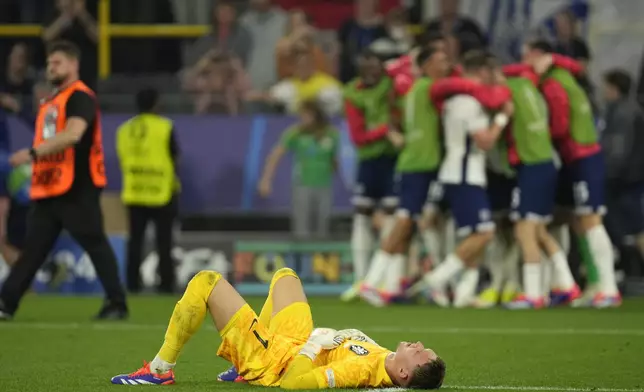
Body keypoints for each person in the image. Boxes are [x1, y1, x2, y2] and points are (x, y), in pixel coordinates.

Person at [111, 268, 446, 389]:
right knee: (285, 276)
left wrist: (315, 344)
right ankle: (240, 367)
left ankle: (159, 370)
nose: (417, 344)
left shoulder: (359, 371)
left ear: (403, 373)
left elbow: (293, 383)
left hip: (277, 359)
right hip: (294, 338)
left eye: (419, 354)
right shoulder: (386, 359)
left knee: (206, 282)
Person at [0, 40, 128, 321]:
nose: (50, 67)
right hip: (50, 186)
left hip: (77, 185)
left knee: (94, 242)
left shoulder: (80, 97)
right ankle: (6, 303)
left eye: (57, 62)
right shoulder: (52, 101)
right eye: (48, 63)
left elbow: (73, 134)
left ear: (73, 64)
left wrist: (31, 153)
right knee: (33, 249)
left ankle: (117, 302)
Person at [409, 50, 513, 306]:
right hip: (465, 174)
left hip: (457, 172)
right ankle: (436, 279)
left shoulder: (454, 101)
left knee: (473, 236)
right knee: (485, 233)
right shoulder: (469, 103)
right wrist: (503, 117)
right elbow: (485, 140)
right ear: (481, 73)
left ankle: (464, 294)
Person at [522, 41, 620, 308]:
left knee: (590, 219)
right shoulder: (565, 75)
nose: (525, 60)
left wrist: (538, 135)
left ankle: (609, 289)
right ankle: (593, 284)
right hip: (579, 157)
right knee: (573, 219)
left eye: (528, 54)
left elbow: (560, 126)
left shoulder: (553, 83)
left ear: (539, 56)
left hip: (581, 156)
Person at [358, 47, 448, 305]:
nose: (446, 64)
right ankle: (372, 283)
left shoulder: (413, 90)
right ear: (427, 64)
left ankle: (394, 285)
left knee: (411, 227)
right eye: (441, 59)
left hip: (419, 164)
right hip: (418, 166)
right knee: (405, 222)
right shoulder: (428, 87)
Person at [490, 65, 579, 309]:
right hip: (546, 163)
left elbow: (492, 99)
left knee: (524, 230)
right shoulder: (528, 86)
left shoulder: (507, 90)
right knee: (538, 230)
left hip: (532, 166)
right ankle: (568, 285)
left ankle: (533, 295)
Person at [342, 50, 401, 301]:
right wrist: (384, 131)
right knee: (362, 218)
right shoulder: (352, 93)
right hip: (369, 161)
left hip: (393, 160)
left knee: (391, 218)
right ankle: (361, 278)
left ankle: (384, 280)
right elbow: (358, 137)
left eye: (376, 67)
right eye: (366, 67)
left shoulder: (393, 84)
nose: (372, 72)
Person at [116, 88, 180, 294]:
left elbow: (122, 157)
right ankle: (166, 284)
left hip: (135, 191)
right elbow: (175, 156)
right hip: (161, 191)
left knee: (135, 241)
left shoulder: (124, 130)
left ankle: (132, 284)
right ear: (156, 104)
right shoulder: (164, 126)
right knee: (164, 241)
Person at [258, 100, 339, 238]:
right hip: (302, 185)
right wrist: (266, 180)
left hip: (324, 185)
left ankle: (320, 258)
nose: (303, 119)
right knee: (301, 231)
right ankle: (303, 259)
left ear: (316, 115)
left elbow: (335, 160)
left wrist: (330, 170)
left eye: (306, 115)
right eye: (301, 115)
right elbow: (275, 156)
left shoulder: (331, 134)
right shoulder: (295, 133)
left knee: (322, 230)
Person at [600, 69, 644, 274]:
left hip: (626, 181)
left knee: (636, 229)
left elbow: (619, 148)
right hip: (628, 178)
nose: (603, 91)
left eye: (606, 87)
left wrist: (608, 175)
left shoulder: (623, 113)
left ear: (614, 88)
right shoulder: (624, 109)